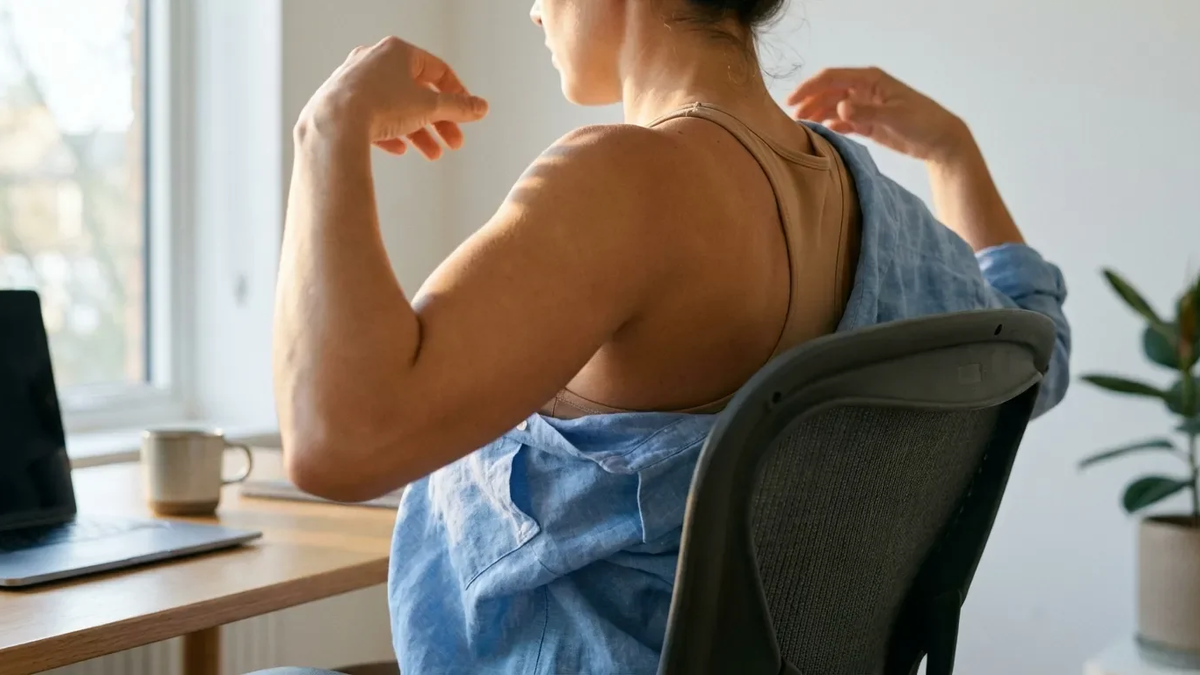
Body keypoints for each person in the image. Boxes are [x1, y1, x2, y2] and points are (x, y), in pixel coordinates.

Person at [271, 0, 1071, 672]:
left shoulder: (625, 181)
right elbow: (1036, 354)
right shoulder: (880, 217)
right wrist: (951, 151)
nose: (535, 7)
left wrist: (328, 128)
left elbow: (337, 438)